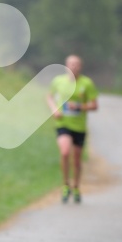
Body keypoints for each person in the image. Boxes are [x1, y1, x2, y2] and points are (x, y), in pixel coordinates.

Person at [46, 55, 98, 204]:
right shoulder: (58, 81)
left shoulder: (87, 83)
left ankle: (76, 186)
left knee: (76, 160)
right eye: (71, 64)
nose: (73, 67)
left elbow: (94, 105)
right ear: (66, 65)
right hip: (63, 124)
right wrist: (54, 109)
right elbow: (49, 96)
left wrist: (80, 106)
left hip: (79, 126)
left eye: (76, 64)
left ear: (80, 67)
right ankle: (65, 185)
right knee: (64, 152)